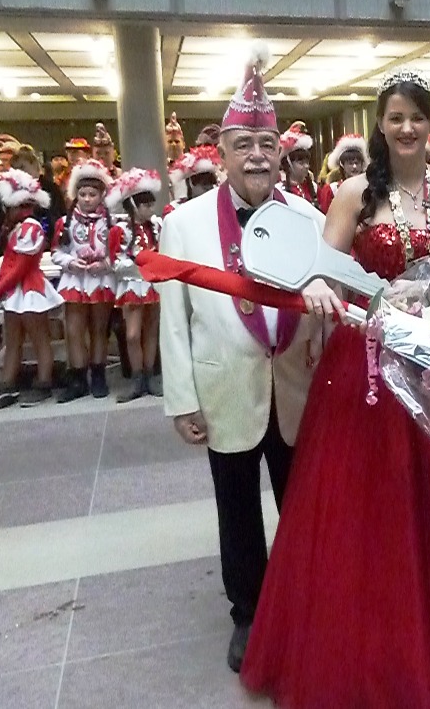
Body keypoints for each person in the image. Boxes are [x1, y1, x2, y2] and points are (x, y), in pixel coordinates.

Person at [239, 69, 430, 709]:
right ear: (380, 123)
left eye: (417, 117)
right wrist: (319, 288)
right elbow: (318, 270)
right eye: (396, 117)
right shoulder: (352, 192)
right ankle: (364, 653)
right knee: (361, 511)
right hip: (367, 370)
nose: (407, 128)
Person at [159, 47, 325, 673]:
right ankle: (248, 611)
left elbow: (327, 303)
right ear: (222, 154)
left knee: (301, 502)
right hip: (224, 387)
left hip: (296, 387)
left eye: (266, 142)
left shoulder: (308, 218)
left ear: (280, 151)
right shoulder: (183, 224)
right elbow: (173, 321)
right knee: (236, 507)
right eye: (243, 144)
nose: (257, 154)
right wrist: (181, 399)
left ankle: (303, 598)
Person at [0, 168, 63, 408]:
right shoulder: (18, 228)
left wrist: (0, 287)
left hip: (29, 290)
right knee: (12, 339)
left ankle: (44, 380)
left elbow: (22, 266)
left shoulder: (30, 228)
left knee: (39, 338)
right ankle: (9, 381)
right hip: (15, 291)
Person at [52, 158, 116, 402]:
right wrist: (70, 262)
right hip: (75, 281)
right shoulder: (64, 223)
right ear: (75, 194)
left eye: (92, 194)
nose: (87, 199)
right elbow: (56, 252)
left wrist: (105, 263)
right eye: (82, 194)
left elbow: (117, 251)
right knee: (74, 330)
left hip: (100, 280)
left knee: (99, 329)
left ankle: (98, 374)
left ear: (102, 196)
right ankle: (78, 377)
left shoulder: (111, 224)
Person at [107, 168, 164, 403]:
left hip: (153, 282)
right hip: (132, 283)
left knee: (152, 330)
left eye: (151, 204)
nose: (150, 209)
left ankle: (150, 376)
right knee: (132, 334)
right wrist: (140, 264)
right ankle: (137, 377)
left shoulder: (157, 227)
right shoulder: (120, 230)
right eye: (146, 205)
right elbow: (115, 261)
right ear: (133, 204)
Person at [316, 133, 367, 214]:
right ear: (342, 164)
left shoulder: (368, 188)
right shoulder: (332, 190)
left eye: (357, 163)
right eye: (350, 163)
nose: (354, 167)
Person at [165, 145, 223, 216]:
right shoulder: (177, 211)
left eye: (212, 182)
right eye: (204, 183)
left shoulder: (220, 206)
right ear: (190, 183)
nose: (208, 187)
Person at [278, 121, 317, 203]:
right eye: (301, 163)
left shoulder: (314, 188)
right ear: (288, 163)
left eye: (307, 162)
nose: (306, 166)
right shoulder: (279, 190)